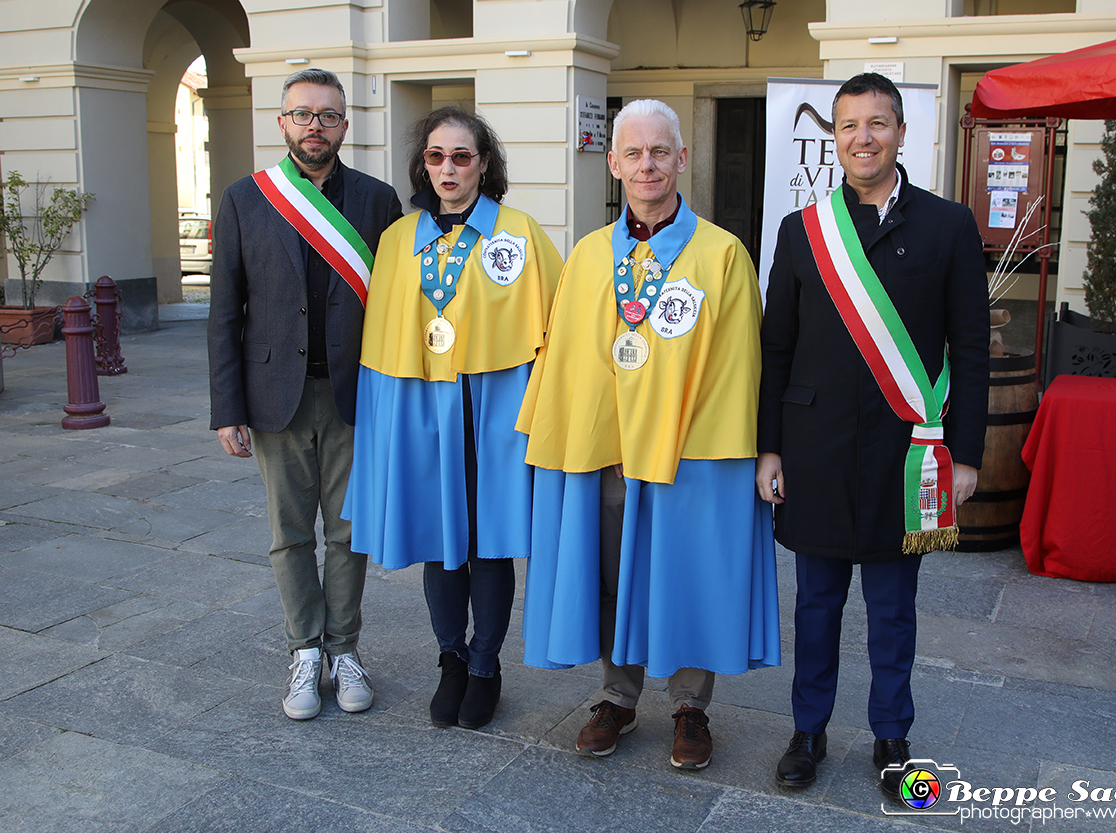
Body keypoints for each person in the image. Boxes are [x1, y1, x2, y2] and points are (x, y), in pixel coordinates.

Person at [518, 99, 780, 771]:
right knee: (611, 573)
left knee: (683, 572)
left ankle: (691, 706)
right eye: (633, 153)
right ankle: (616, 695)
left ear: (681, 159)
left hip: (687, 456)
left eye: (659, 151)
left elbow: (736, 367)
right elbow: (568, 359)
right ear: (613, 164)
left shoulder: (722, 255)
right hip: (607, 453)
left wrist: (687, 446)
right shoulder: (585, 258)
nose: (647, 164)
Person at [756, 72, 989, 795]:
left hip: (907, 453)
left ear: (901, 132)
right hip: (815, 450)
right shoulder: (803, 231)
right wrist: (769, 445)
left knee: (893, 608)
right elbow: (776, 347)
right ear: (835, 137)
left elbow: (973, 347)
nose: (863, 137)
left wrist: (968, 453)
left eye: (877, 124)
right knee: (817, 603)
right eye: (850, 125)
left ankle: (892, 736)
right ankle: (808, 729)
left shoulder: (949, 225)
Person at [341, 107, 562, 730]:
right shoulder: (396, 240)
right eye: (436, 156)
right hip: (422, 410)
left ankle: (486, 664)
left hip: (494, 410)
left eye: (461, 156)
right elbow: (384, 340)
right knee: (443, 541)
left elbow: (556, 327)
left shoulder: (518, 234)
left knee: (489, 542)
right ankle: (451, 660)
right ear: (423, 165)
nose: (448, 169)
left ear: (483, 164)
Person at [208, 68, 403, 721]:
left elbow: (400, 307)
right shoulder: (244, 199)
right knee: (290, 533)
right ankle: (302, 650)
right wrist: (226, 407)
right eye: (302, 114)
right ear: (282, 122)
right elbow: (223, 312)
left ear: (345, 125)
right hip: (275, 396)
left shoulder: (378, 202)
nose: (314, 125)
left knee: (350, 533)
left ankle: (343, 650)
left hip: (357, 394)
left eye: (327, 115)